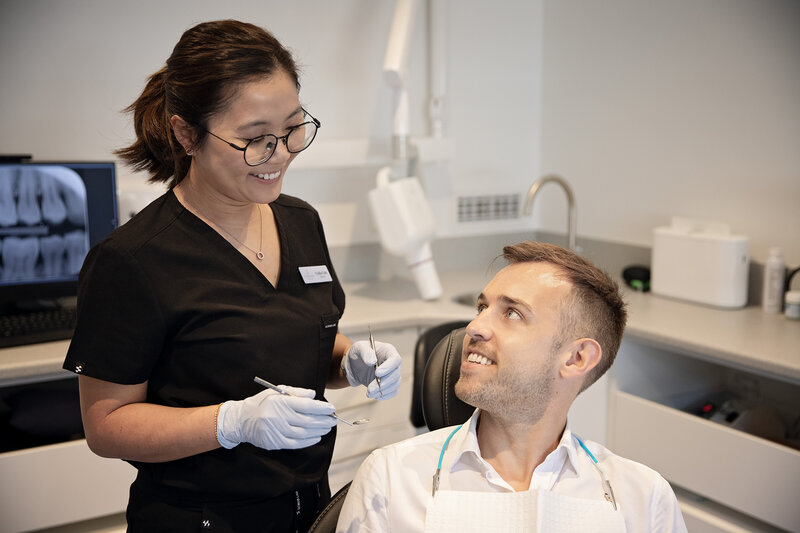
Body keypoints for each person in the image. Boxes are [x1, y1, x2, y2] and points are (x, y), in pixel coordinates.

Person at [63, 20, 402, 533]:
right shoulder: (134, 260)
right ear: (185, 133)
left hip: (310, 506)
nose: (281, 154)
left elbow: (296, 338)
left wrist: (350, 362)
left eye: (292, 129)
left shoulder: (300, 220)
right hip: (201, 517)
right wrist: (230, 423)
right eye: (255, 139)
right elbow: (106, 427)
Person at [337, 241, 688, 532]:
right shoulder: (391, 479)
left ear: (577, 358)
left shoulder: (643, 498)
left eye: (512, 314)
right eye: (482, 306)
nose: (474, 326)